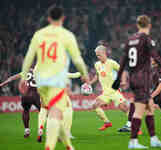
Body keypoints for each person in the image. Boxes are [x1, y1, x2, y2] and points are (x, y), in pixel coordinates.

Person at [19, 5, 89, 150]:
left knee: (52, 112)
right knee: (56, 113)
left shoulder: (39, 35)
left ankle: (69, 146)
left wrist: (23, 77)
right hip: (56, 81)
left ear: (49, 18)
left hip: (40, 82)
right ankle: (49, 146)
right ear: (63, 18)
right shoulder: (67, 35)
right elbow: (77, 60)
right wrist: (85, 74)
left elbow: (28, 58)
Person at [112, 15, 161, 149]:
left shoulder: (130, 40)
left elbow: (123, 60)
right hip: (142, 78)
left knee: (150, 107)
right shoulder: (146, 39)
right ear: (149, 25)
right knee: (139, 111)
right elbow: (156, 57)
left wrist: (118, 78)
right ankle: (133, 142)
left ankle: (153, 139)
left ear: (137, 25)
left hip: (134, 78)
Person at [89, 44, 128, 131]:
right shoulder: (97, 64)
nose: (98, 57)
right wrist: (90, 83)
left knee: (124, 108)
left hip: (114, 91)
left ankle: (135, 127)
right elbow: (97, 75)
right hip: (105, 93)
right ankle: (107, 123)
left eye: (99, 55)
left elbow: (123, 71)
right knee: (95, 105)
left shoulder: (111, 63)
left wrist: (124, 81)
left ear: (104, 53)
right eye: (97, 55)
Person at [0, 69, 41, 138]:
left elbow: (11, 78)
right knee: (44, 112)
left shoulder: (26, 71)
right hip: (36, 95)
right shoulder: (41, 71)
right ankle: (42, 131)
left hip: (25, 95)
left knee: (25, 111)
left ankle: (26, 130)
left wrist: (2, 84)